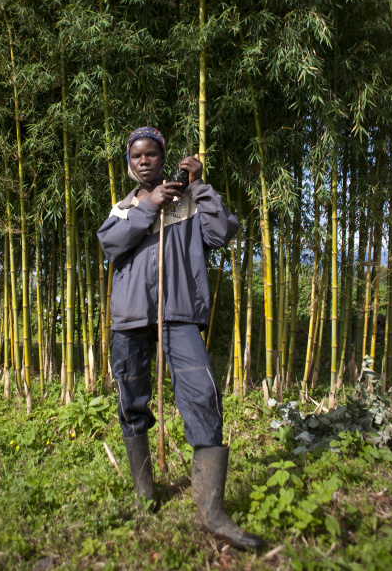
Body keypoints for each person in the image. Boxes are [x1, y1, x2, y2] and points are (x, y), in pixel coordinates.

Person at [97, 127, 263, 551]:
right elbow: (110, 244)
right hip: (131, 318)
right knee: (130, 400)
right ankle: (144, 494)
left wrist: (200, 185)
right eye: (137, 156)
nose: (144, 161)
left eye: (152, 154)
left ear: (162, 157)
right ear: (130, 163)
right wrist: (148, 207)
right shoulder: (123, 207)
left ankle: (211, 513)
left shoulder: (190, 202)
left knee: (202, 397)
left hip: (180, 314)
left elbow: (222, 233)